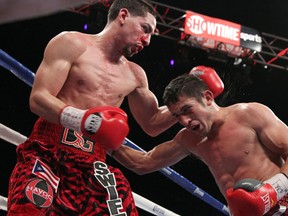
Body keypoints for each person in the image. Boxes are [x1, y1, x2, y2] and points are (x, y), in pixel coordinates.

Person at [7, 0, 178, 215]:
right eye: (145, 29)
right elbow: (39, 98)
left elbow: (153, 124)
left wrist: (190, 101)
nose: (148, 40)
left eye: (152, 34)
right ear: (123, 16)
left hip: (95, 164)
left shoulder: (135, 75)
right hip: (49, 151)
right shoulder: (71, 43)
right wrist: (85, 120)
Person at [111, 72, 288, 216]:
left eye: (187, 110)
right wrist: (107, 142)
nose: (185, 121)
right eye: (177, 116)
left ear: (208, 97)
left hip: (282, 202)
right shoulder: (189, 139)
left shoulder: (248, 114)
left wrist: (273, 190)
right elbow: (144, 163)